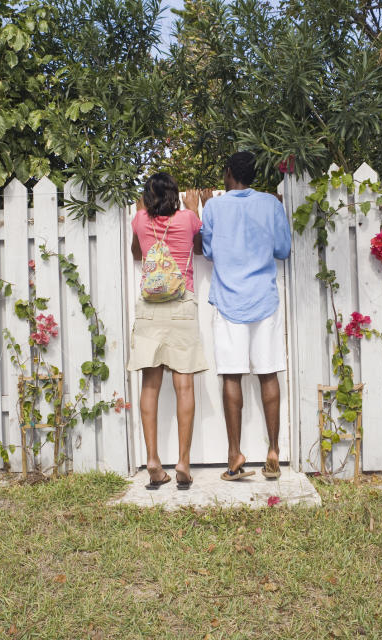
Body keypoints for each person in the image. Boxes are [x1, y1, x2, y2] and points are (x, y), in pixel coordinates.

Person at [201, 152, 291, 481]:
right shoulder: (271, 204)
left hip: (229, 302)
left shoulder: (213, 207)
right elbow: (283, 250)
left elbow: (208, 252)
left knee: (232, 376)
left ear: (228, 174)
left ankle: (234, 455)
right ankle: (273, 451)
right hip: (264, 300)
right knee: (268, 374)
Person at [127, 172, 208, 490]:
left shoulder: (139, 220)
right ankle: (184, 463)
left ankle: (153, 461)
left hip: (149, 308)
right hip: (181, 305)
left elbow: (137, 255)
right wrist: (195, 210)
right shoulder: (188, 219)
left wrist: (140, 213)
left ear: (147, 197)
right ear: (176, 194)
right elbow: (199, 250)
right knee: (184, 385)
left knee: (150, 385)